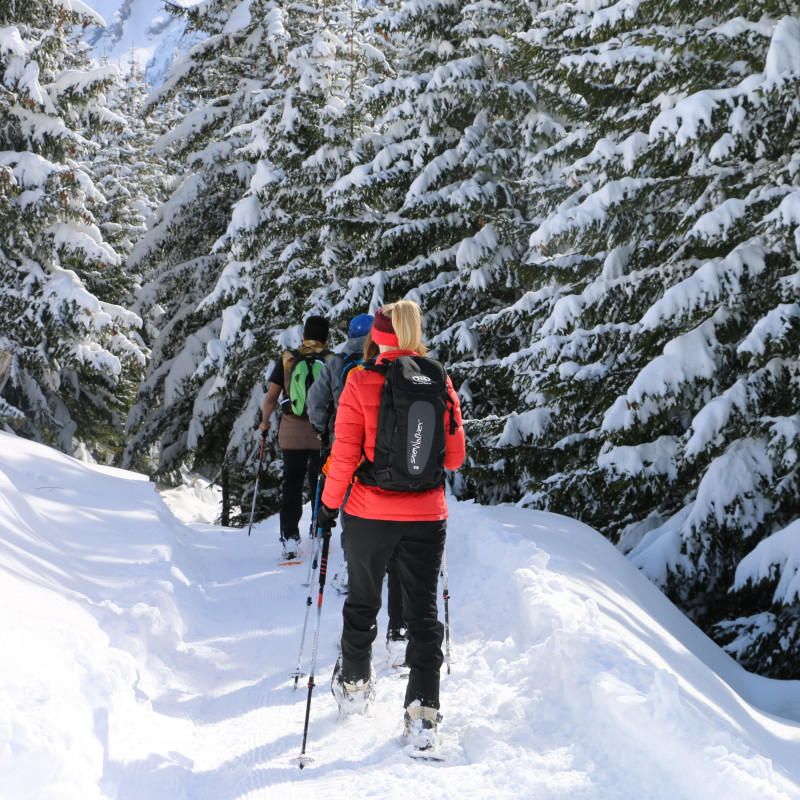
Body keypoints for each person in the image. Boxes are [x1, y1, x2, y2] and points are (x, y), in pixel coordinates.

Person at [317, 300, 466, 751]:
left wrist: (327, 506)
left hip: (368, 512)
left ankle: (356, 688)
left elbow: (344, 454)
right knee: (423, 616)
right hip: (426, 516)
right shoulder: (441, 381)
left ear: (377, 338)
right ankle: (423, 716)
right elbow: (455, 457)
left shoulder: (359, 380)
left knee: (363, 601)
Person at [259, 315, 332, 559]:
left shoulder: (289, 358)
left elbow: (271, 397)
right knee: (319, 482)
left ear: (304, 337)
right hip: (321, 433)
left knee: (291, 483)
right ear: (327, 337)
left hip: (291, 431)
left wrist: (264, 422)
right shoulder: (332, 360)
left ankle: (290, 539)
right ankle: (318, 532)